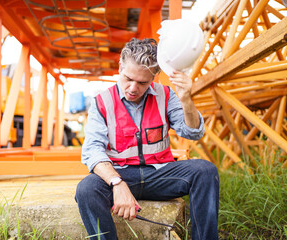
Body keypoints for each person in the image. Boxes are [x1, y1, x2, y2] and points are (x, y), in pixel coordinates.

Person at [75, 38, 219, 240]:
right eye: (128, 79)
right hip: (122, 174)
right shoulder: (102, 101)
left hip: (160, 174)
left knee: (205, 171)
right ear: (120, 67)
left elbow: (193, 132)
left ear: (154, 76)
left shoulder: (166, 95)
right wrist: (117, 183)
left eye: (142, 82)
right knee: (87, 189)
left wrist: (187, 99)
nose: (133, 88)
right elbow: (92, 151)